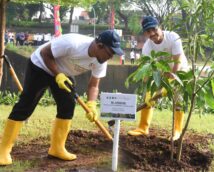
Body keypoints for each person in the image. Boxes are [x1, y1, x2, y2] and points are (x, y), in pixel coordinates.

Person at [0, 30, 123, 165]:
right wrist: (57, 75)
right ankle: (3, 150)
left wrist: (92, 104)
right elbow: (44, 53)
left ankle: (57, 148)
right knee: (26, 105)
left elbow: (94, 85)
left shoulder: (101, 61)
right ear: (100, 45)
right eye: (110, 52)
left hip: (63, 72)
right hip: (41, 65)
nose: (111, 57)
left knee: (68, 105)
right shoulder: (72, 43)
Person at [128, 16, 188, 141]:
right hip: (160, 73)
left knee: (179, 99)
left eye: (154, 29)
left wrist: (171, 80)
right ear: (145, 33)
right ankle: (143, 127)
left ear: (159, 27)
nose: (152, 34)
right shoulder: (147, 47)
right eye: (148, 31)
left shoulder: (173, 37)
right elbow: (146, 70)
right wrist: (147, 89)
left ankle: (177, 131)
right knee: (148, 96)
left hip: (180, 72)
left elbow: (177, 61)